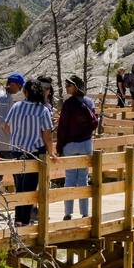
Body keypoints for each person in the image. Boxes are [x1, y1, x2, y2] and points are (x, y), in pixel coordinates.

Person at [5, 79, 55, 225]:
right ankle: (24, 221)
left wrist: (18, 134)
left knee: (19, 186)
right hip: (34, 152)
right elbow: (47, 135)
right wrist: (51, 152)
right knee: (29, 188)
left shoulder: (16, 107)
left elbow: (7, 127)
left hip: (16, 150)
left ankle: (18, 219)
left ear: (25, 92)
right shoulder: (43, 110)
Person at [57, 74, 97, 221]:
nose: (66, 87)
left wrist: (59, 147)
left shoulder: (68, 104)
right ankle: (85, 213)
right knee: (83, 179)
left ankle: (68, 213)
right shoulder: (89, 102)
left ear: (75, 87)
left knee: (69, 179)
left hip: (70, 146)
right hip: (86, 144)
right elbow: (94, 124)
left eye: (68, 85)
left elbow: (63, 127)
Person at [0, 73, 25, 159]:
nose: (20, 90)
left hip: (0, 141)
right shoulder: (4, 98)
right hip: (4, 142)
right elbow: (2, 122)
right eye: (20, 87)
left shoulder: (1, 95)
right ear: (12, 84)